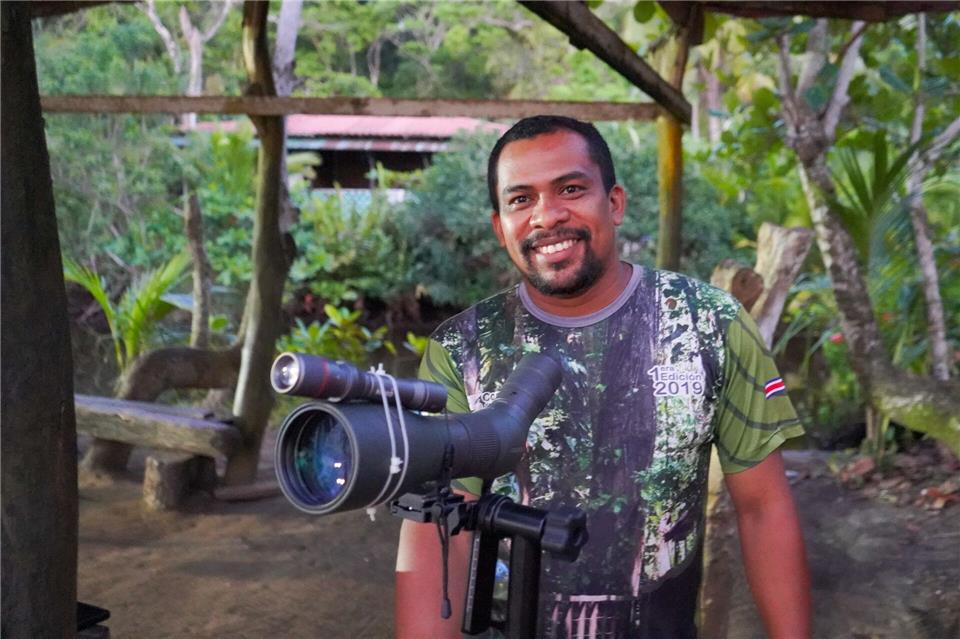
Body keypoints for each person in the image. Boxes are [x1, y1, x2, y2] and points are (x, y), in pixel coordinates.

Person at [395, 115, 811, 639]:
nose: (547, 215)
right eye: (521, 199)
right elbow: (441, 527)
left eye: (571, 189)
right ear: (500, 227)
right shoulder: (463, 348)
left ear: (614, 203)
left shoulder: (709, 323)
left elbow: (763, 508)